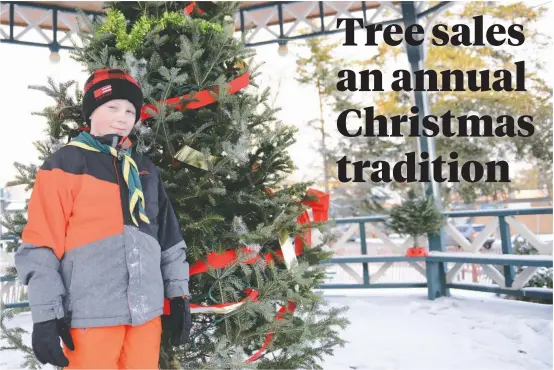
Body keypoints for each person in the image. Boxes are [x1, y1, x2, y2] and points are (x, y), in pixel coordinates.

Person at [14, 68, 192, 369]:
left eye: (130, 110)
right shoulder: (65, 164)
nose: (123, 117)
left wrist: (178, 296)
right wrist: (46, 314)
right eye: (113, 107)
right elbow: (41, 243)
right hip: (90, 319)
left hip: (145, 318)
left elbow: (169, 241)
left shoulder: (144, 169)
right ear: (92, 111)